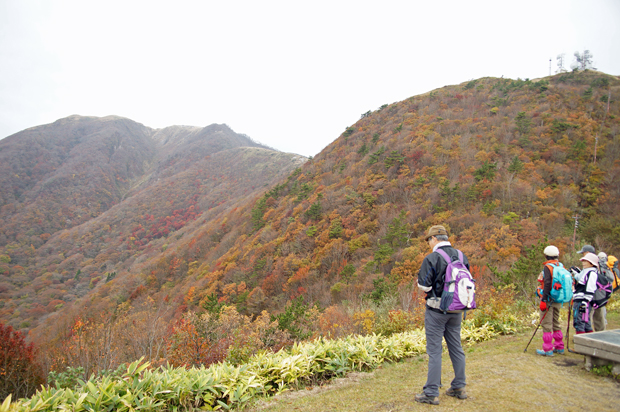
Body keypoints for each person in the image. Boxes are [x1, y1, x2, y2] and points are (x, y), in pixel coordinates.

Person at [415, 225, 468, 405]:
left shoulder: (432, 258)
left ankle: (431, 392)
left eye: (429, 240)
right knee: (456, 347)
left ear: (435, 239)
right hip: (457, 310)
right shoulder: (461, 256)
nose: (428, 243)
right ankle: (459, 386)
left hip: (436, 310)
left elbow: (424, 286)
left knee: (435, 351)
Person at [536, 246, 565, 356]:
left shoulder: (548, 267)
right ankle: (559, 346)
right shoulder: (561, 266)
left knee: (546, 323)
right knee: (556, 322)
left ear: (546, 255)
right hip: (558, 298)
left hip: (548, 299)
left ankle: (548, 349)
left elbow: (547, 283)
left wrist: (543, 299)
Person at [572, 253, 599, 334]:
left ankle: (581, 342)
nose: (583, 262)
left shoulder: (591, 273)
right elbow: (580, 278)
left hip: (582, 301)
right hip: (582, 300)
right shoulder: (587, 272)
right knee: (585, 321)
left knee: (579, 321)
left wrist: (585, 301)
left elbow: (590, 288)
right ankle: (589, 342)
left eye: (585, 261)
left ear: (591, 263)